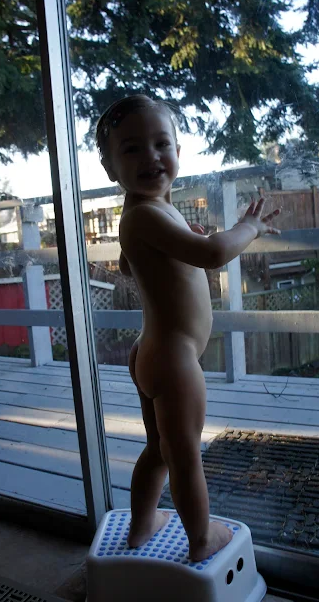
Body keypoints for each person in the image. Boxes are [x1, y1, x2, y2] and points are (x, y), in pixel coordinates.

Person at [95, 95, 281, 562]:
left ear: (178, 151)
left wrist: (182, 243)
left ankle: (142, 526)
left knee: (158, 450)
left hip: (153, 352)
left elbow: (128, 263)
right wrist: (249, 227)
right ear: (110, 167)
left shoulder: (147, 211)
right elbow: (214, 254)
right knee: (184, 456)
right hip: (174, 359)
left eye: (161, 144)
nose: (151, 156)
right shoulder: (146, 214)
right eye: (132, 148)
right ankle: (201, 538)